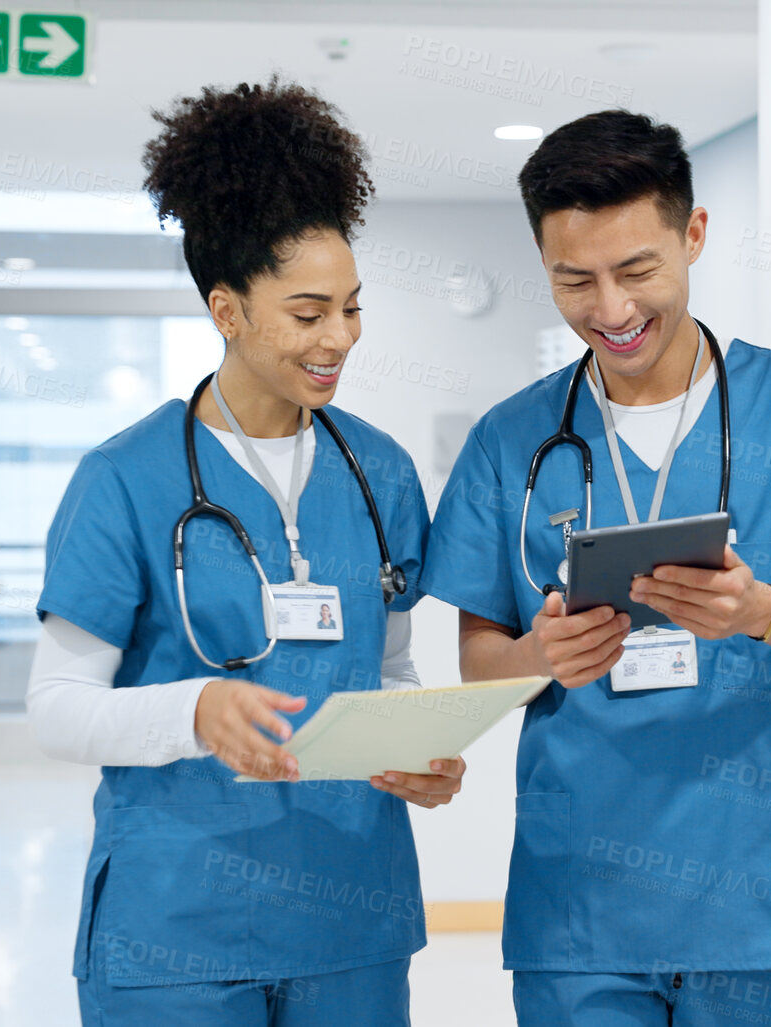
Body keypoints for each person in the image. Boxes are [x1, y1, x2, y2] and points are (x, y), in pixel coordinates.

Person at [424, 110, 771, 1027]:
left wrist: (763, 610)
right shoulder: (511, 439)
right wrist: (540, 656)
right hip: (582, 901)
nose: (612, 311)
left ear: (693, 234)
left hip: (757, 895)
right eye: (574, 280)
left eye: (637, 271)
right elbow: (480, 663)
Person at [26, 76, 466, 1027]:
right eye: (308, 314)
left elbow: (386, 665)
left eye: (352, 308)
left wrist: (419, 748)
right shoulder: (125, 479)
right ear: (227, 311)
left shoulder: (380, 471)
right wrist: (197, 709)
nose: (339, 338)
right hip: (178, 927)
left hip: (351, 919)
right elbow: (57, 710)